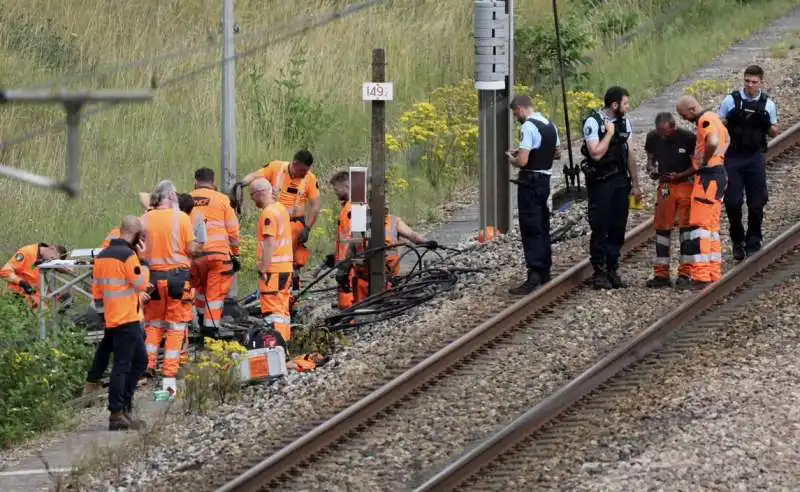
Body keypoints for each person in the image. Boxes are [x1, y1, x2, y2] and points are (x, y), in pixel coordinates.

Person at [90, 215, 152, 430]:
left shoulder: (102, 256)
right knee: (123, 366)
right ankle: (117, 413)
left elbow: (96, 292)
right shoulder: (129, 256)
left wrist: (107, 314)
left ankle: (124, 406)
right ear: (134, 234)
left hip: (113, 318)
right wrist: (143, 259)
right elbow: (141, 284)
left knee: (138, 362)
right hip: (128, 318)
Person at [140, 180, 200, 394]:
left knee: (153, 325)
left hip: (153, 279)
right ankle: (169, 372)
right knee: (176, 326)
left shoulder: (144, 219)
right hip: (178, 278)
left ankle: (147, 365)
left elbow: (140, 252)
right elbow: (191, 249)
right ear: (172, 196)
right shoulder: (181, 218)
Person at [580, 86, 642, 290]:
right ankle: (599, 271)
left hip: (620, 181)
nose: (628, 107)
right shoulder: (594, 123)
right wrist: (609, 134)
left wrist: (635, 183)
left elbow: (630, 153)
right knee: (601, 226)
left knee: (617, 227)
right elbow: (596, 153)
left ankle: (612, 268)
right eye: (625, 103)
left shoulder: (625, 122)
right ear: (614, 105)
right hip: (601, 182)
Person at [240, 150, 321, 301]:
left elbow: (316, 207)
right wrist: (240, 185)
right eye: (303, 170)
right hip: (276, 221)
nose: (305, 173)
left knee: (294, 261)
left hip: (295, 224)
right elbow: (254, 176)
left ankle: (290, 293)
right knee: (276, 257)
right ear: (295, 164)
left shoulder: (310, 179)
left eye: (308, 170)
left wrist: (308, 228)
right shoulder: (276, 168)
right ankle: (277, 289)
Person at [717, 65, 779, 260]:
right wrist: (729, 120)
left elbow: (774, 131)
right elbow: (718, 125)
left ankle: (754, 240)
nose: (750, 85)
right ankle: (737, 241)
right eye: (747, 81)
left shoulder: (767, 104)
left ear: (761, 82)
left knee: (756, 203)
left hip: (755, 157)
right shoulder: (731, 100)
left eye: (754, 82)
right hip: (733, 156)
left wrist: (767, 123)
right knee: (733, 202)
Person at [506, 94, 561, 295]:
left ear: (520, 109)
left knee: (530, 226)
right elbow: (557, 153)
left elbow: (523, 162)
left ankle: (534, 272)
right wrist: (525, 151)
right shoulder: (550, 124)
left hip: (530, 182)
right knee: (542, 223)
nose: (515, 118)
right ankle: (545, 269)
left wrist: (512, 159)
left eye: (515, 114)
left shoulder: (528, 127)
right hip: (545, 180)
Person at [674, 95, 730, 288]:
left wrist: (704, 161)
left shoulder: (704, 121)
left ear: (691, 109)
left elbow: (713, 142)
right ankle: (714, 271)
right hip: (719, 174)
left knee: (700, 228)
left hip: (708, 177)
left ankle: (701, 276)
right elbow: (725, 140)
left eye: (683, 115)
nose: (683, 120)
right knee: (712, 228)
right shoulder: (715, 118)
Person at [644, 112, 697, 288]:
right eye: (659, 132)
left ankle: (685, 273)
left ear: (673, 126)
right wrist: (651, 168)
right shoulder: (653, 137)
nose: (662, 135)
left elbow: (697, 164)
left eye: (665, 132)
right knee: (662, 228)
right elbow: (650, 158)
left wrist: (681, 175)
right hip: (665, 186)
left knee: (687, 229)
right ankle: (661, 274)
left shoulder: (688, 138)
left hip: (685, 185)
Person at [189, 168, 241, 336]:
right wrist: (235, 253)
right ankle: (210, 330)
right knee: (215, 293)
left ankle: (200, 319)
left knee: (200, 290)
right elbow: (233, 232)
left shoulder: (187, 199)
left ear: (196, 181)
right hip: (218, 255)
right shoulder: (222, 199)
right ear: (213, 182)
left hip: (194, 255)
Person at [249, 178, 294, 343]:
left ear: (260, 193)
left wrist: (263, 267)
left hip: (273, 270)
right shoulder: (281, 209)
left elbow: (269, 241)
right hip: (285, 268)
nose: (252, 199)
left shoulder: (268, 213)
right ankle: (284, 344)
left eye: (252, 195)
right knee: (282, 311)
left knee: (273, 312)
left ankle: (275, 347)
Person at [0, 243, 67, 308]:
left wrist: (58, 297)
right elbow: (5, 271)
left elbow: (34, 273)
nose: (50, 261)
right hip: (16, 295)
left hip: (32, 299)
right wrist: (22, 282)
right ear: (51, 249)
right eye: (52, 258)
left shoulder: (44, 259)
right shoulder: (27, 252)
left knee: (45, 310)